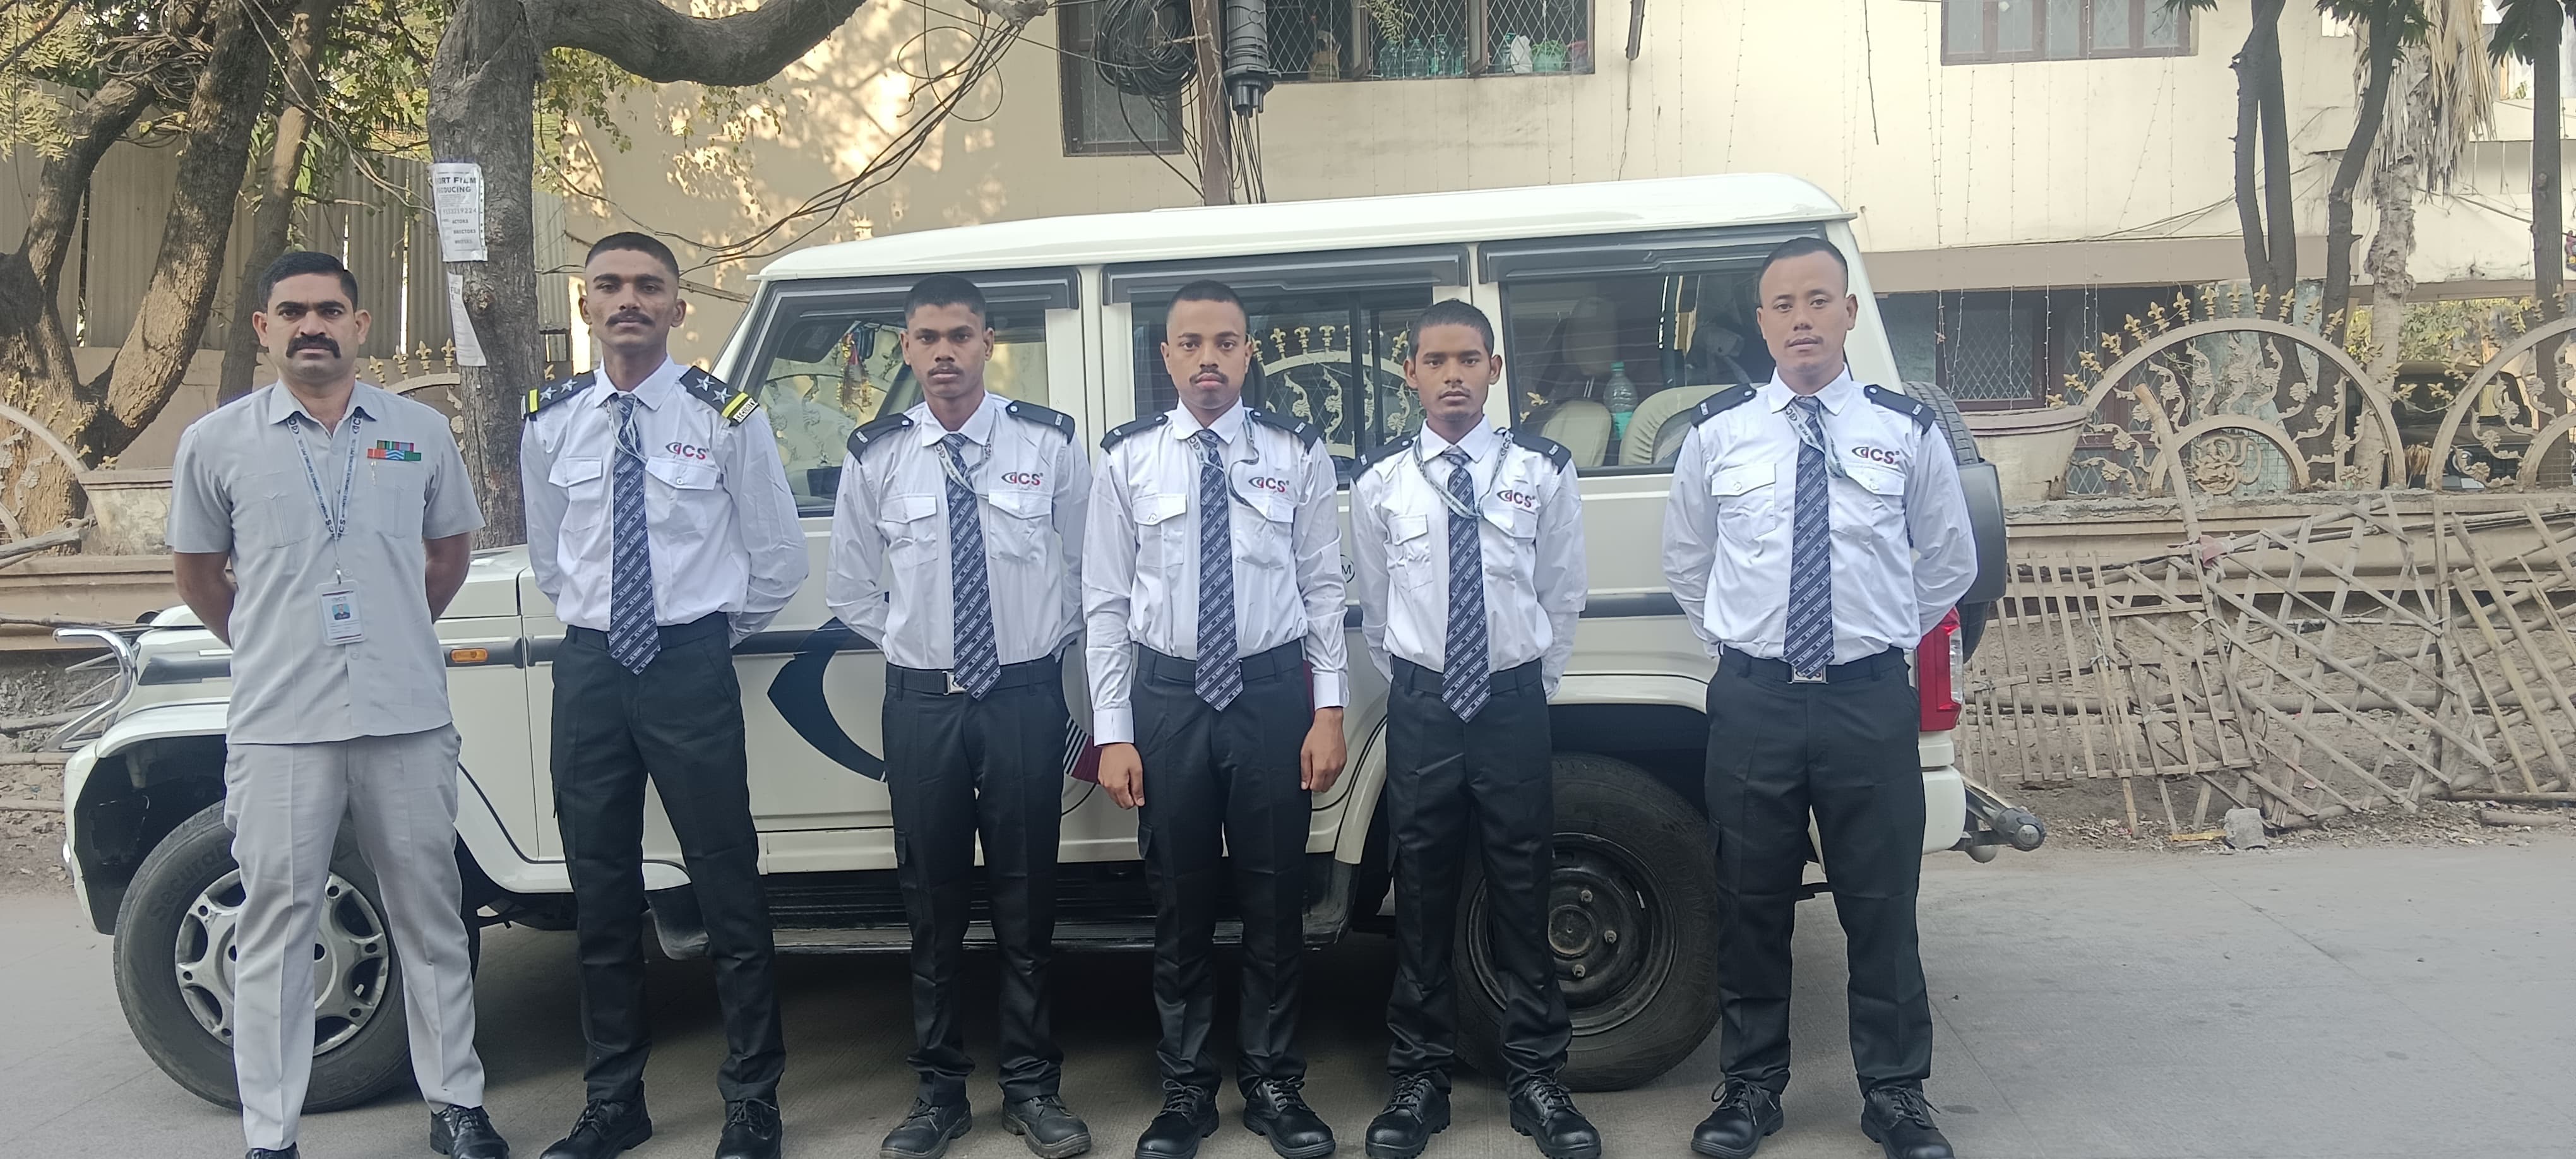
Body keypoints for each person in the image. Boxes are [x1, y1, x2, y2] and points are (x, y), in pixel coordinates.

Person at [167, 250, 504, 1159]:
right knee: (277, 924)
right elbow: (199, 577)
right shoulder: (217, 443)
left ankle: (457, 1106)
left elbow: (448, 556)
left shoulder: (418, 431)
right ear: (264, 328)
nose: (310, 326)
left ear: (360, 326)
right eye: (292, 311)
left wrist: (389, 629)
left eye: (328, 310)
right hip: (282, 725)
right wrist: (274, 642)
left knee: (430, 915)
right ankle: (271, 1135)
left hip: (406, 717)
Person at [1659, 237, 1977, 1159]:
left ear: (1849, 314)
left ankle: (1896, 1095)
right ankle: (1751, 1090)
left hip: (1866, 700)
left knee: (1881, 905)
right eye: (1783, 305)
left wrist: (1874, 635)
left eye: (1818, 300)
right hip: (1754, 701)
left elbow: (1948, 560)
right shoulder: (1717, 434)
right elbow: (1688, 561)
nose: (1802, 319)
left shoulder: (1903, 430)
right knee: (1749, 902)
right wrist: (1745, 643)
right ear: (1762, 323)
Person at [520, 232, 808, 1159]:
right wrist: (614, 629)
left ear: (679, 308)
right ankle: (614, 1102)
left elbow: (776, 558)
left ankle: (753, 1101)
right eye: (609, 285)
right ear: (586, 305)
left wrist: (700, 639)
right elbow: (553, 558)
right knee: (601, 894)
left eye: (649, 286)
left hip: (688, 662)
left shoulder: (723, 414)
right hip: (592, 669)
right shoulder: (551, 420)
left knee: (728, 885)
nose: (629, 300)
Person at [825, 275, 1094, 1159]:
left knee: (1027, 896)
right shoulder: (877, 456)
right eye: (928, 337)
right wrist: (920, 646)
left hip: (1022, 697)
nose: (945, 352)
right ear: (907, 347)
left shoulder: (1047, 444)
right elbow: (851, 589)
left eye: (961, 336)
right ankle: (939, 1093)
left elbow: (1090, 569)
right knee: (931, 903)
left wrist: (1034, 647)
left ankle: (1032, 1087)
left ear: (988, 343)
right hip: (923, 705)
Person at [1083, 280, 1348, 1159]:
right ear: (1166, 357)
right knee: (1180, 900)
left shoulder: (1295, 453)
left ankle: (1274, 1084)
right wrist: (1114, 732)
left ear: (1248, 353)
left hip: (1271, 697)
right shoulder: (1128, 460)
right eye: (1191, 344)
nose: (1208, 360)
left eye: (1226, 343)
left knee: (1275, 897)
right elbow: (1104, 603)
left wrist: (1328, 711)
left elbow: (1323, 588)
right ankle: (1187, 1089)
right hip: (1167, 699)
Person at [1347, 299, 1599, 1159]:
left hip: (1511, 703)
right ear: (1410, 373)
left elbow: (1562, 594)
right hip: (1424, 706)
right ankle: (1420, 1079)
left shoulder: (1541, 471)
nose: (1452, 375)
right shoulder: (1381, 483)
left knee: (1524, 888)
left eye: (1468, 360)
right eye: (1435, 361)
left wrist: (1526, 684)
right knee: (1420, 893)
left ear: (1494, 370)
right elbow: (1378, 610)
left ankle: (1538, 1078)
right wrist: (1423, 685)